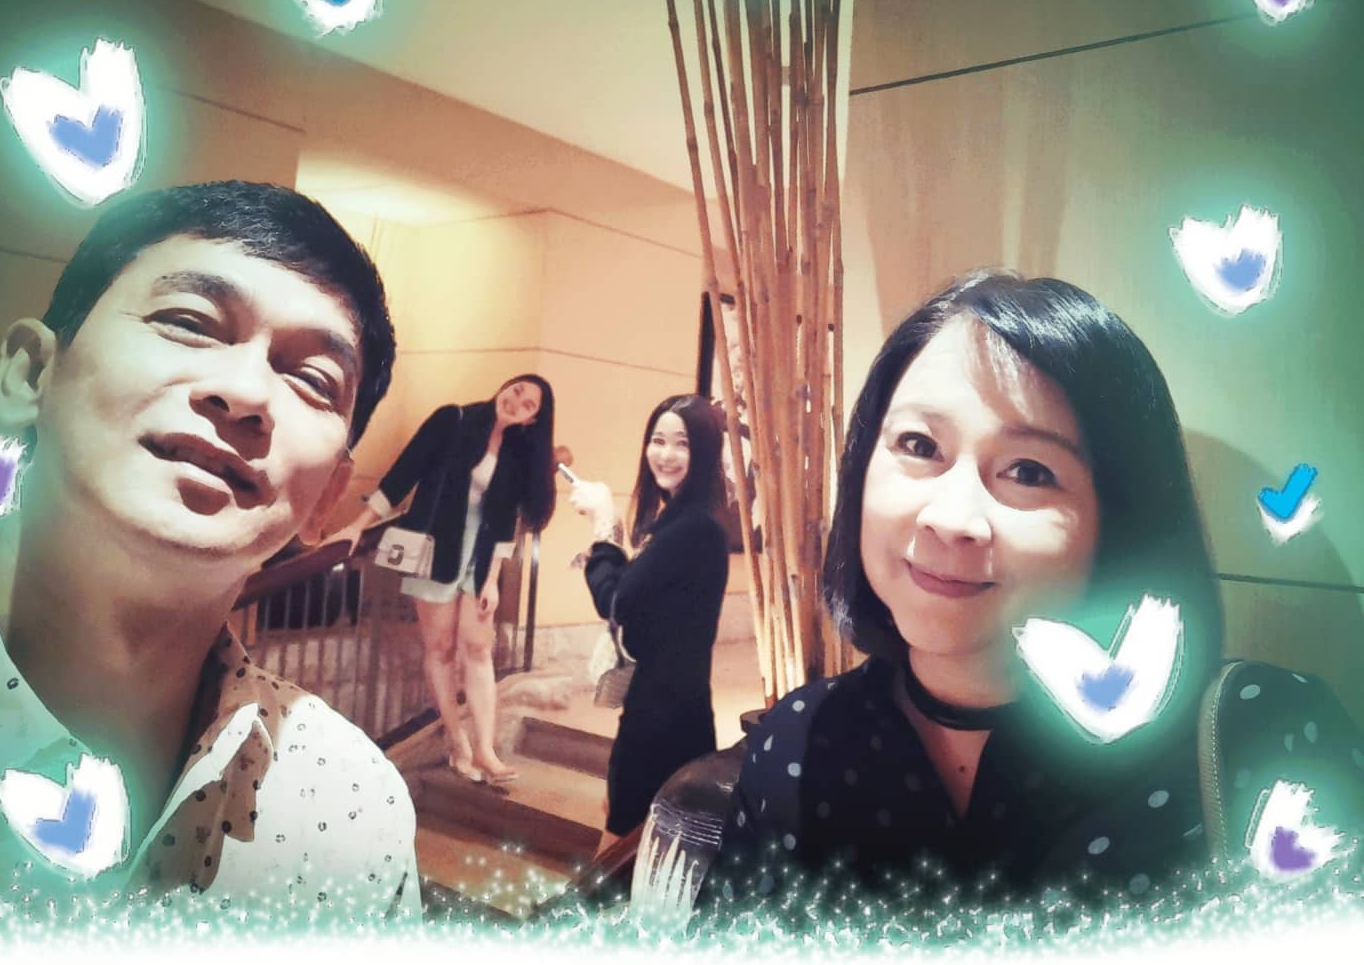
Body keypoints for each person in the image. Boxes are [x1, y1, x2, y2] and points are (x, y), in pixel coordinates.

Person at [700, 269, 1364, 917]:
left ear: (1121, 523)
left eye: (1028, 471)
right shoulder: (796, 743)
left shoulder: (1258, 737)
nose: (950, 518)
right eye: (919, 444)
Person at [0, 181, 421, 917]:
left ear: (328, 498)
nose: (245, 393)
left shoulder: (351, 805)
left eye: (313, 379)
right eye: (188, 321)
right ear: (31, 374)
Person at [330, 377, 557, 784]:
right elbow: (403, 475)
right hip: (435, 552)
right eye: (516, 390)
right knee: (441, 649)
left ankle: (485, 749)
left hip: (478, 559)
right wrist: (358, 525)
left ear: (532, 420)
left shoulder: (516, 452)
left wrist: (492, 580)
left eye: (528, 405)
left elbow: (506, 521)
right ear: (504, 387)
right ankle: (457, 741)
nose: (516, 401)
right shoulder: (453, 420)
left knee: (478, 648)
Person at [569, 395, 731, 854]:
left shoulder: (694, 528)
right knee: (635, 829)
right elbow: (639, 598)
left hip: (663, 717)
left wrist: (604, 526)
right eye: (658, 440)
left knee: (623, 843)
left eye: (682, 443)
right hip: (669, 706)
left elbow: (616, 601)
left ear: (705, 452)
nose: (666, 454)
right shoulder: (680, 521)